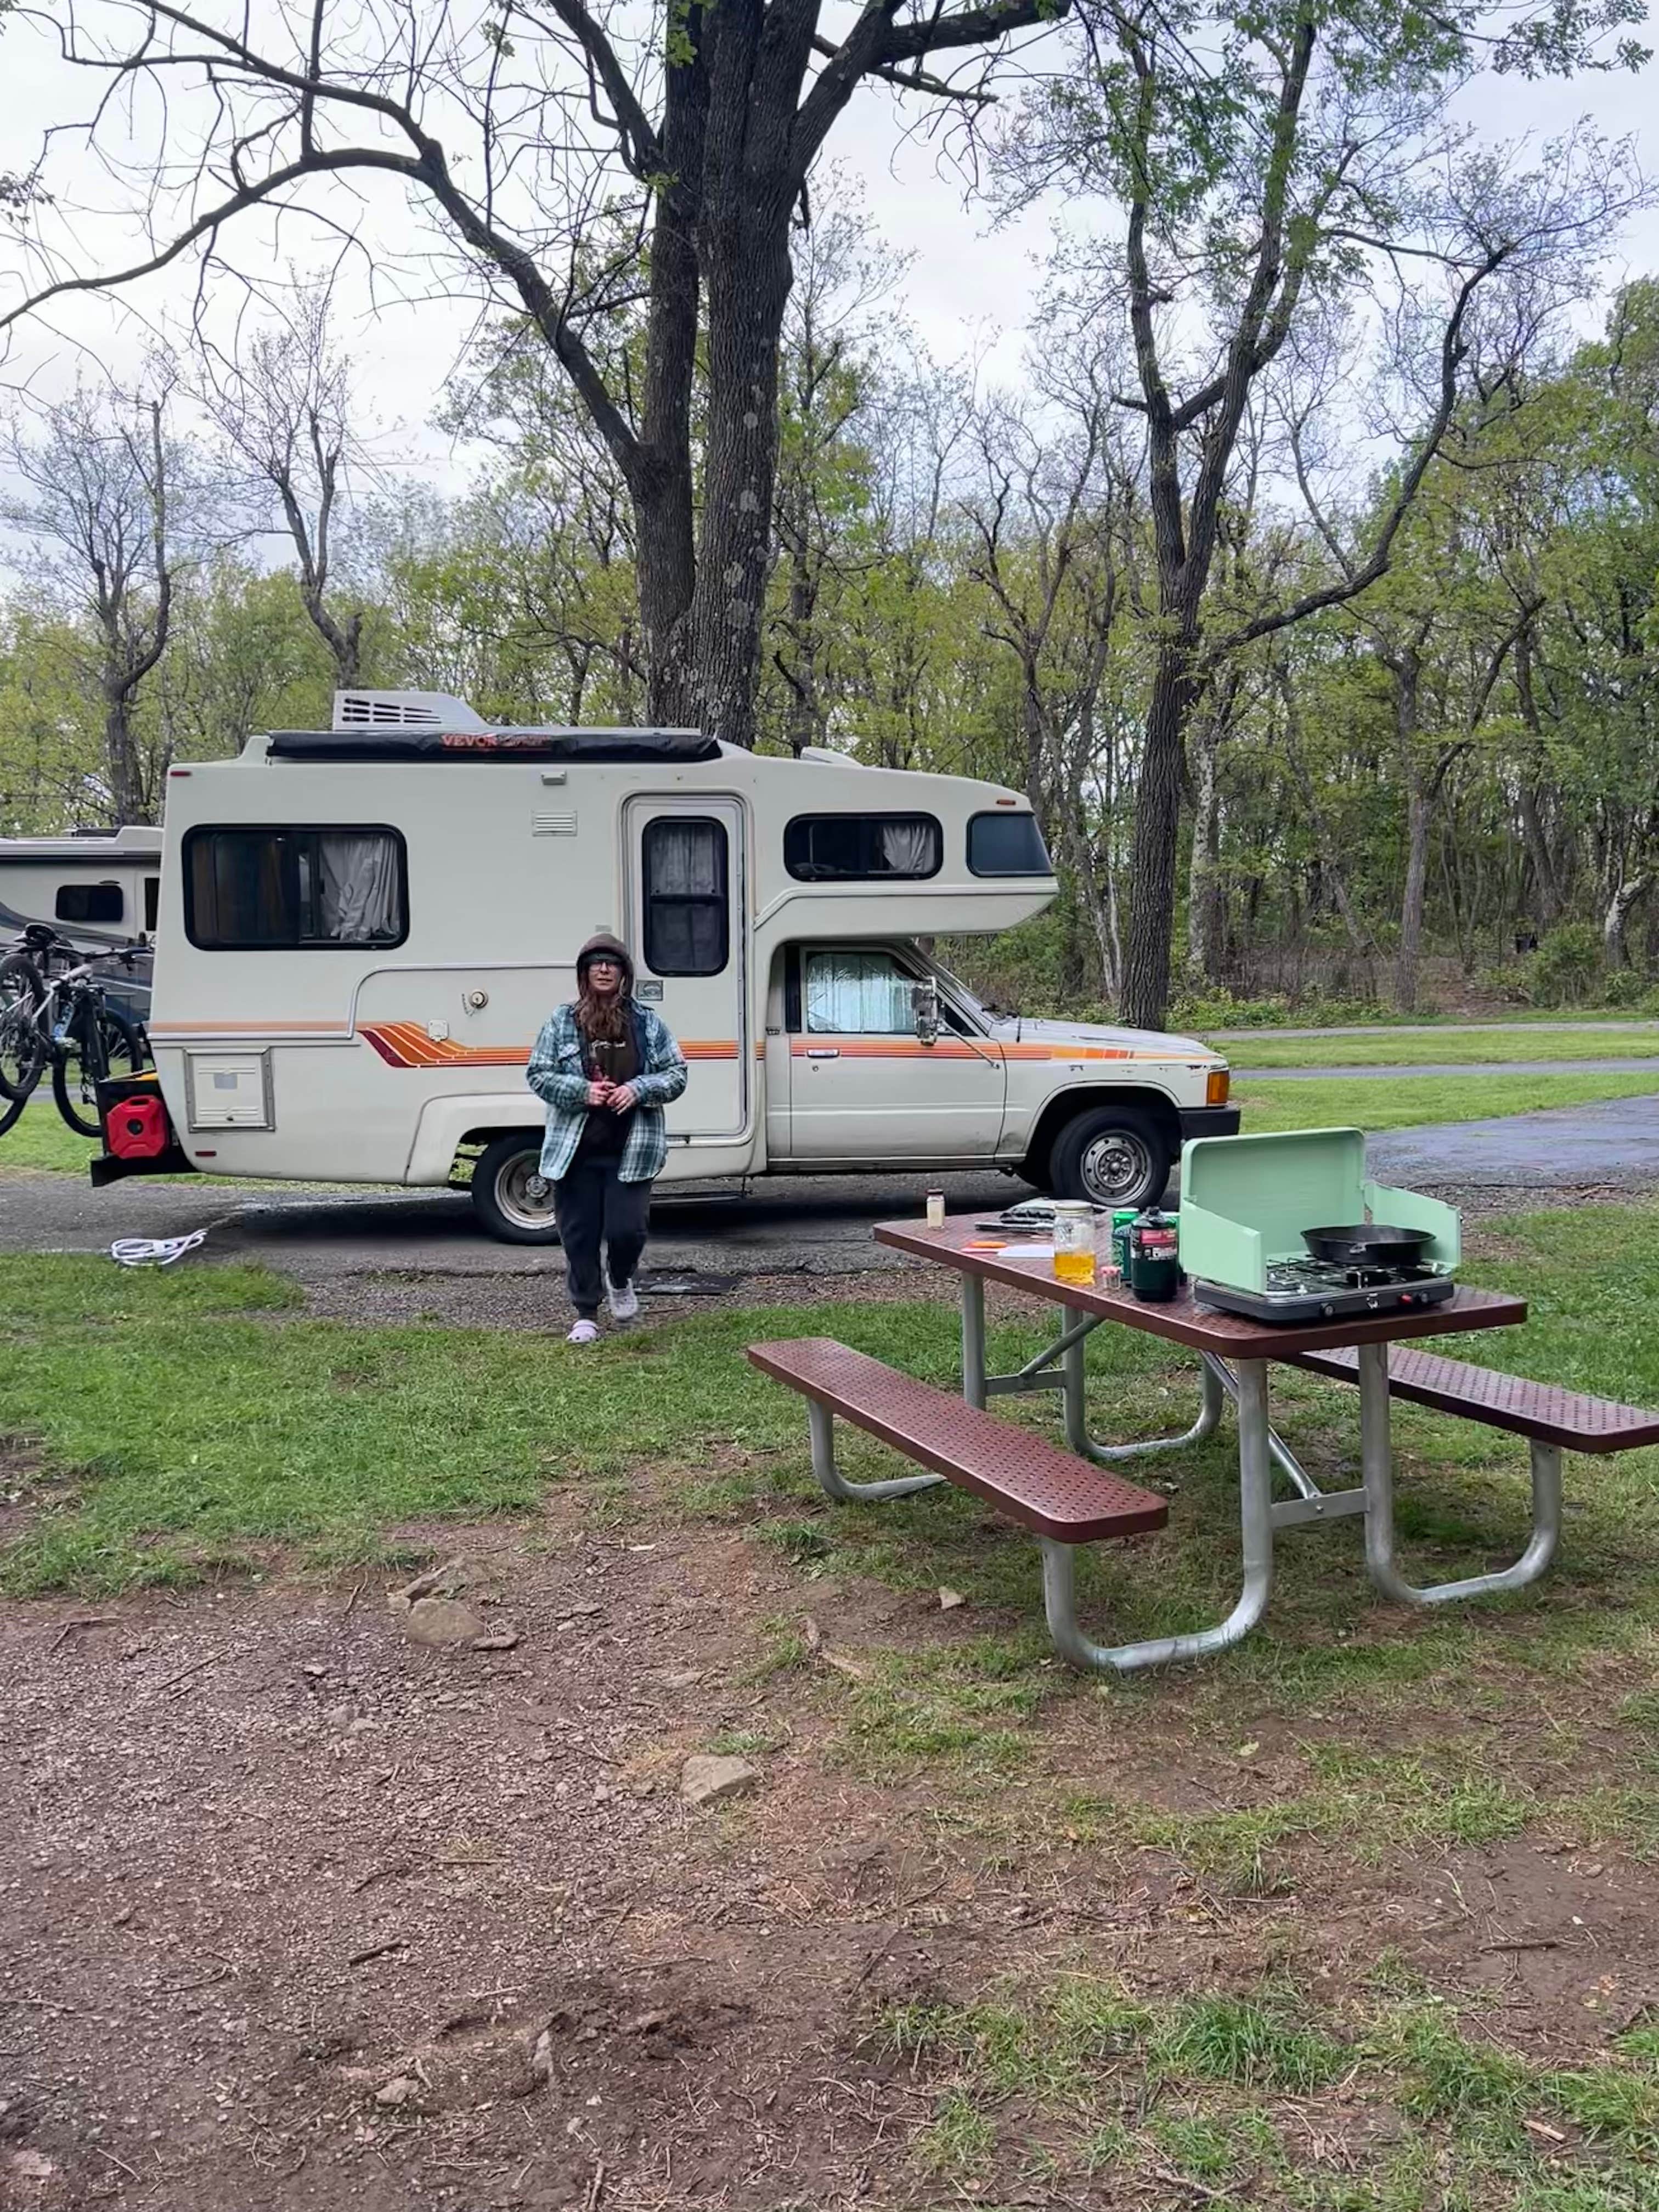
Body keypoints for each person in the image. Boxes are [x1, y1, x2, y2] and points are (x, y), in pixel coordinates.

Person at [526, 933, 688, 1345]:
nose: (603, 969)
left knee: (626, 1231)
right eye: (595, 963)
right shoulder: (561, 1022)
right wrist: (583, 1092)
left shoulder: (648, 1023)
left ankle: (620, 1280)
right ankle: (585, 1313)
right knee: (579, 1235)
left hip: (632, 1150)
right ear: (584, 974)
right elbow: (538, 1075)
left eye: (611, 964)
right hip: (575, 1152)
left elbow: (676, 1074)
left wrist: (639, 1089)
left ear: (623, 974)